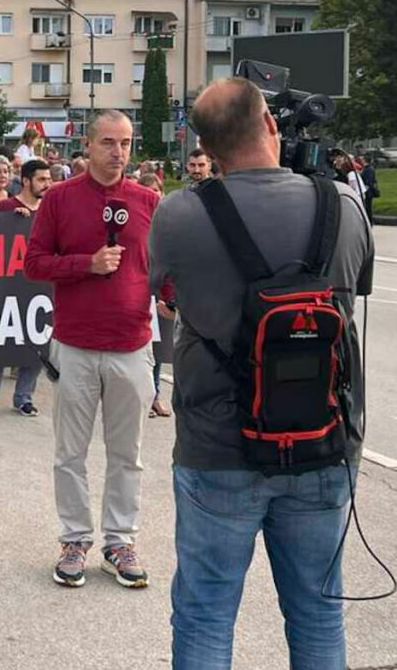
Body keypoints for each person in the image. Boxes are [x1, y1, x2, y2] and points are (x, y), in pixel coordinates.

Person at [150, 77, 373, 670]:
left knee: (205, 614)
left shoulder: (179, 214)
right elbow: (355, 290)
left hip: (218, 447)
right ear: (271, 125)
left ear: (204, 147)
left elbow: (158, 291)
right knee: (319, 611)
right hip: (324, 441)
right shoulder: (343, 205)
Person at [25, 109, 161, 590]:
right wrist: (87, 264)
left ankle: (120, 541)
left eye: (125, 143)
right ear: (87, 144)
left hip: (132, 345)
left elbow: (160, 268)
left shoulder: (149, 201)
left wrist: (174, 299)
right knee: (71, 453)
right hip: (75, 345)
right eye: (108, 142)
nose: (118, 152)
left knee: (128, 454)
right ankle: (75, 540)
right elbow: (34, 264)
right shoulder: (60, 199)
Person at [0, 159, 52, 419]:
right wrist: (11, 222)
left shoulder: (50, 209)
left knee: (35, 345)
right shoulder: (6, 207)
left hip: (39, 287)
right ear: (26, 181)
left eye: (49, 179)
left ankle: (24, 398)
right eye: (41, 179)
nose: (47, 184)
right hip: (6, 287)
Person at [138, 173, 174, 418]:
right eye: (147, 191)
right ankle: (141, 397)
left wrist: (170, 298)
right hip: (137, 291)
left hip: (160, 292)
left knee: (158, 350)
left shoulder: (169, 224)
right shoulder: (133, 221)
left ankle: (155, 396)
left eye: (156, 191)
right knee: (138, 351)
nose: (152, 196)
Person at [360, 154, 379, 220]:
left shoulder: (368, 169)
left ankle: (369, 221)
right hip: (368, 191)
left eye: (362, 159)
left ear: (365, 160)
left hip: (368, 192)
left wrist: (365, 190)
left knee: (368, 207)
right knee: (367, 207)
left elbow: (368, 182)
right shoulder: (368, 168)